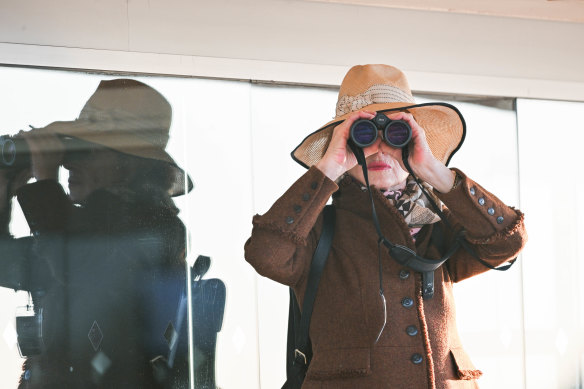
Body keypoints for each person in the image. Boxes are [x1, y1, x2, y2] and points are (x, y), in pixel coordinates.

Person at [244, 64, 527, 388]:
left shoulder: (436, 221)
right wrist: (328, 168)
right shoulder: (317, 228)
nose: (379, 147)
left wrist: (435, 172)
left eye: (396, 134)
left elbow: (507, 242)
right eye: (363, 136)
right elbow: (266, 254)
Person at [0, 79, 193, 388]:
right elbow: (7, 264)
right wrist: (6, 188)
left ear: (129, 163)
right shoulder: (81, 229)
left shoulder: (156, 225)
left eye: (85, 150)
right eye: (69, 149)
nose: (70, 161)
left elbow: (77, 263)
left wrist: (47, 179)